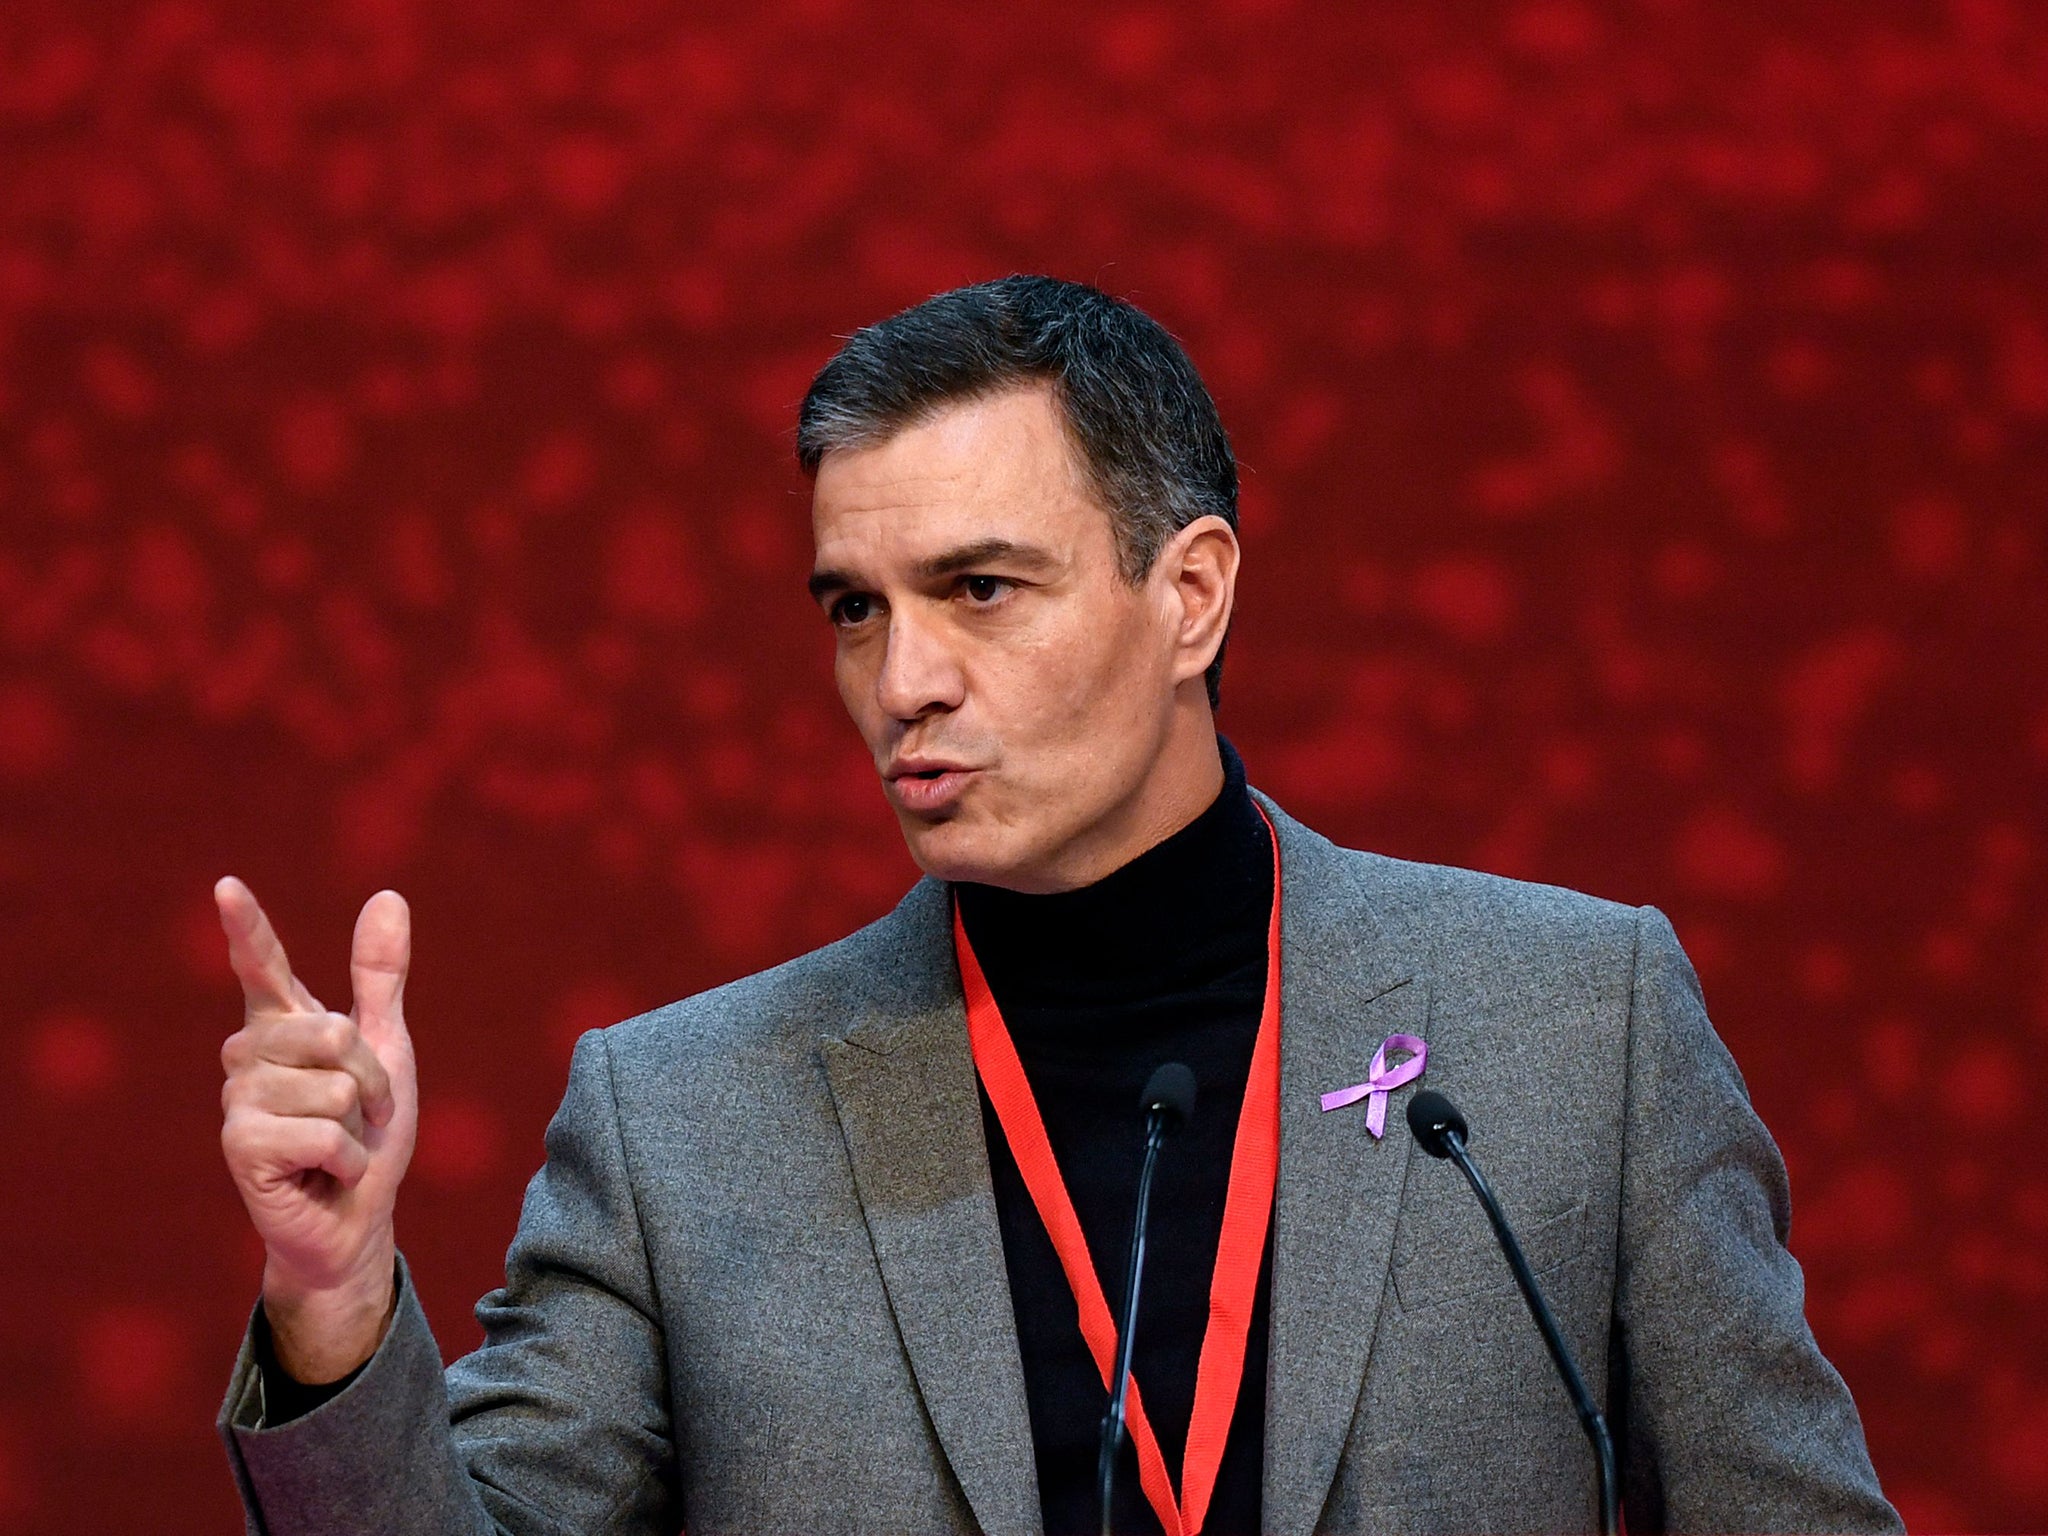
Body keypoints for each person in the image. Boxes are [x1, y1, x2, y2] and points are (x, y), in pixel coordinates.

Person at [214, 276, 1900, 1536]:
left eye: (979, 589)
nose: (904, 681)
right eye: (856, 610)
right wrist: (338, 1303)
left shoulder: (1574, 1029)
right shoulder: (685, 1121)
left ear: (1192, 594)